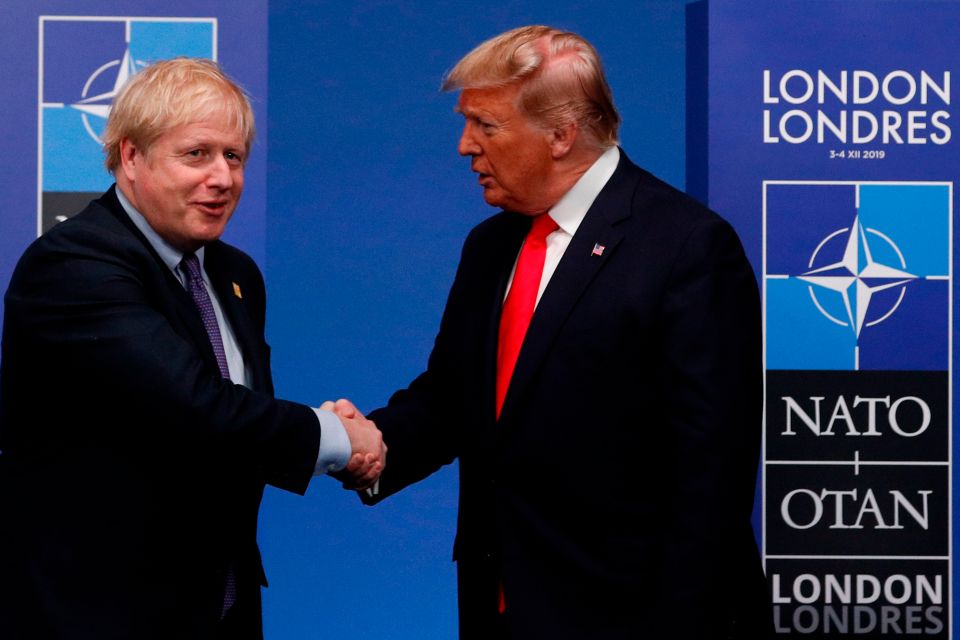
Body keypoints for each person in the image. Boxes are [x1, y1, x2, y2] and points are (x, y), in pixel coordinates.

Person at [333, 25, 771, 639]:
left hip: (636, 616)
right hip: (503, 608)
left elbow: (711, 479)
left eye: (486, 125)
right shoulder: (492, 245)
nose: (465, 146)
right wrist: (366, 445)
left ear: (561, 135)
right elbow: (454, 398)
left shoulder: (687, 247)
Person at [0, 58, 384, 639]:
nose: (222, 178)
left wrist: (326, 432)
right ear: (132, 157)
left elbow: (237, 423)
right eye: (196, 154)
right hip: (101, 612)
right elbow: (195, 407)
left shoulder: (234, 274)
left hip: (220, 603)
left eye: (233, 156)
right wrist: (335, 438)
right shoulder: (75, 264)